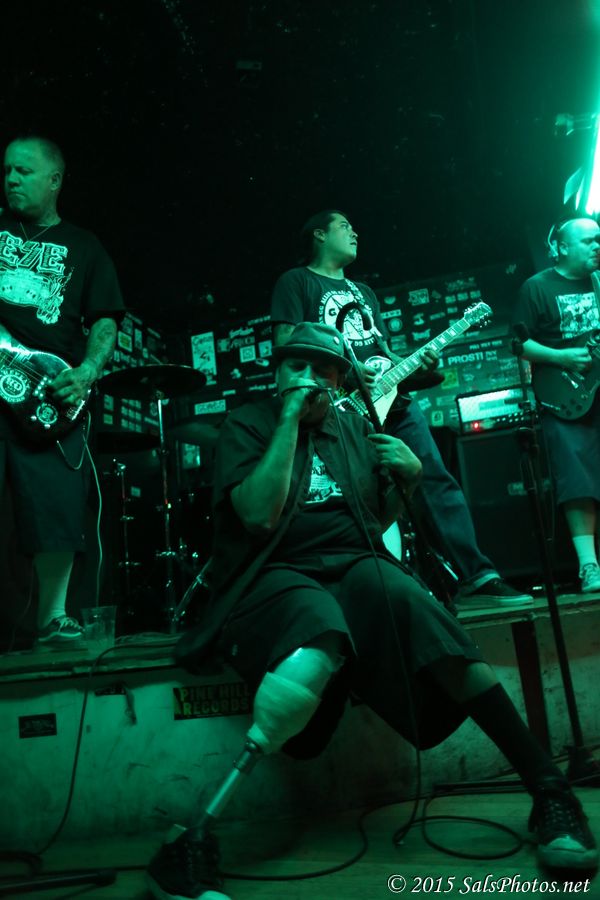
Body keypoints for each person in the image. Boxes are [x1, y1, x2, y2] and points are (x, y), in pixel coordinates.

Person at [147, 323, 596, 900]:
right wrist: (289, 421)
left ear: (339, 382)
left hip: (353, 561)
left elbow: (370, 519)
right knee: (318, 626)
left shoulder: (352, 426)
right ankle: (194, 838)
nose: (307, 379)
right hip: (274, 569)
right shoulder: (248, 424)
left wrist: (408, 479)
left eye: (322, 371)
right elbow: (258, 516)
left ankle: (550, 790)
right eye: (295, 367)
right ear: (277, 373)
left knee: (419, 610)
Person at [270, 209, 532, 609]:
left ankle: (477, 577)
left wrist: (417, 364)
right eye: (344, 226)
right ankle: (369, 589)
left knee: (433, 478)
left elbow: (382, 352)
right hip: (339, 408)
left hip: (394, 403)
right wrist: (345, 370)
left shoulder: (363, 292)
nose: (355, 232)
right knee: (357, 494)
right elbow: (287, 344)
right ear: (319, 235)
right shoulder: (296, 281)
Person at [0, 135, 125, 645]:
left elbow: (105, 319)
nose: (11, 179)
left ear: (54, 180)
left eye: (24, 171)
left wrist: (88, 370)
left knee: (55, 499)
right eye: (7, 170)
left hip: (48, 387)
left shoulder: (85, 245)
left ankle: (52, 615)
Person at [514, 215, 600, 593]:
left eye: (599, 240)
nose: (597, 246)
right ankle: (589, 566)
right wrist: (562, 357)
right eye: (589, 241)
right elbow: (520, 343)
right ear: (563, 247)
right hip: (565, 396)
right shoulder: (537, 287)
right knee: (577, 479)